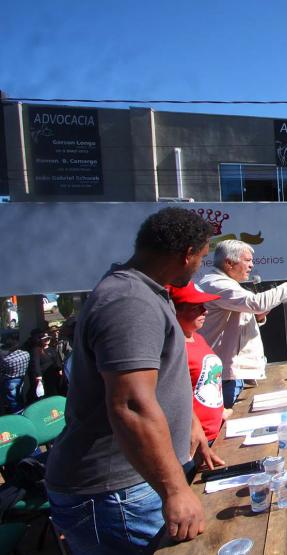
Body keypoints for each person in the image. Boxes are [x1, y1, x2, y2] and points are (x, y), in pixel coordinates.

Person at [45, 207, 221, 550]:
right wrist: (174, 489)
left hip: (134, 484)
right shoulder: (130, 302)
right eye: (201, 257)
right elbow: (131, 405)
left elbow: (161, 383)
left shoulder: (146, 292)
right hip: (116, 494)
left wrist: (190, 426)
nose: (201, 265)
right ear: (186, 255)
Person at [199, 240, 287, 408]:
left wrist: (257, 317)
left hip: (230, 375)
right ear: (229, 263)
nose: (251, 265)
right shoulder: (217, 284)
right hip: (224, 377)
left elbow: (246, 314)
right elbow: (256, 303)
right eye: (247, 260)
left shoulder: (225, 284)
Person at [170, 281, 225, 443]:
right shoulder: (172, 347)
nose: (205, 311)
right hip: (197, 441)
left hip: (217, 431)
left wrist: (220, 412)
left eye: (204, 305)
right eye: (196, 307)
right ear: (174, 311)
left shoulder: (198, 337)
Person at [0, 334, 29, 414]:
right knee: (19, 397)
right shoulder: (26, 354)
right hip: (22, 378)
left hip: (10, 381)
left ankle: (17, 416)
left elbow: (2, 369)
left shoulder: (7, 359)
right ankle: (22, 412)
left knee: (13, 401)